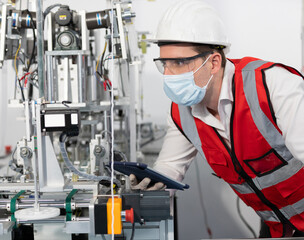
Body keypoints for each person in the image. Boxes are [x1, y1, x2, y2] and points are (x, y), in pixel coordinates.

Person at [129, 0, 304, 238]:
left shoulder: (272, 87)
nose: (168, 75)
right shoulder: (182, 112)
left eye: (179, 62)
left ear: (213, 62)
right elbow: (170, 167)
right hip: (277, 228)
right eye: (164, 64)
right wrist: (148, 185)